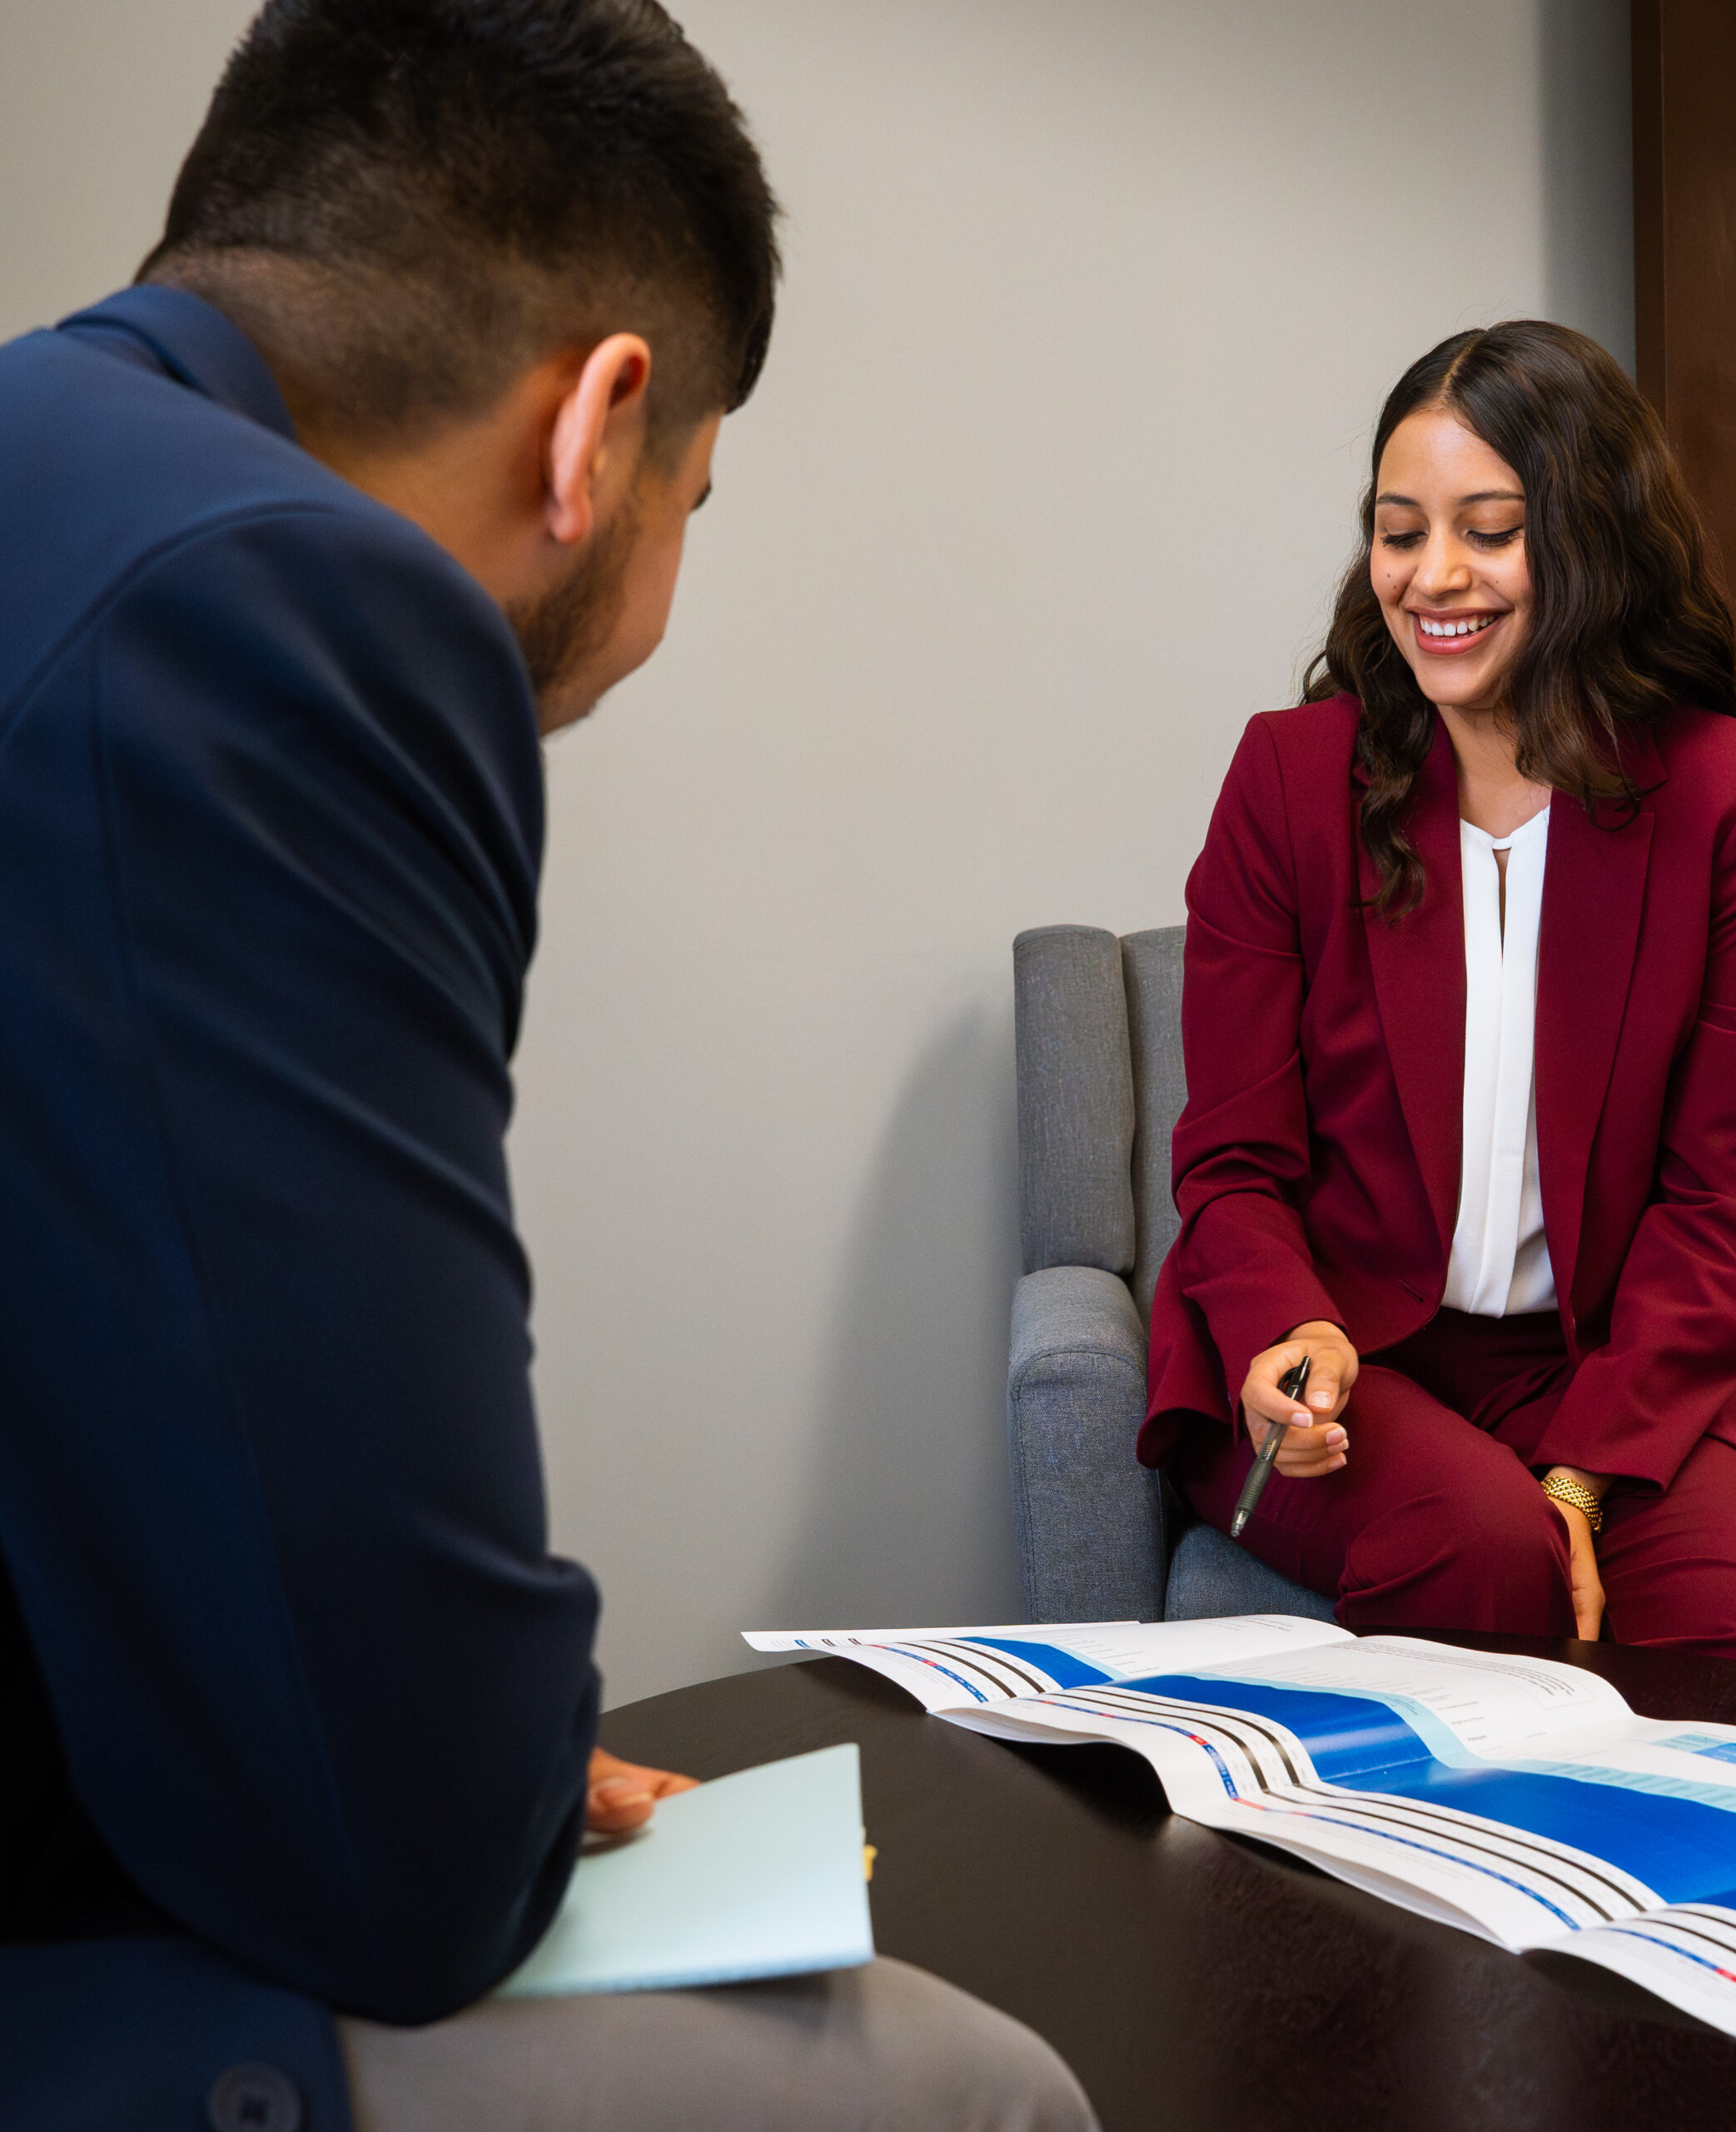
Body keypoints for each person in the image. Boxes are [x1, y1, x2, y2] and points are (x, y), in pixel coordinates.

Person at [0, 4, 1096, 2129]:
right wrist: (467, 1758)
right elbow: (408, 1866)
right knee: (983, 2090)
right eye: (697, 492)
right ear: (598, 431)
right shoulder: (283, 602)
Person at [1141, 321, 1736, 1674]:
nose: (1434, 577)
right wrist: (1290, 1333)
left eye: (1489, 529)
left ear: (1588, 541)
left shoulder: (1727, 792)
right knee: (1480, 1550)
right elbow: (1230, 1157)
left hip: (1610, 1360)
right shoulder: (1290, 781)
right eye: (1401, 533)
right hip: (1346, 1344)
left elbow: (1728, 1196)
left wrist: (1584, 1472)